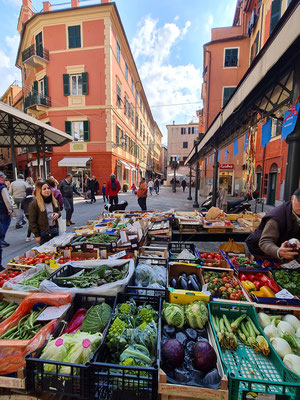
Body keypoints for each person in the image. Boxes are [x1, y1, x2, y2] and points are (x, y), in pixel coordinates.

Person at [246, 188, 300, 260]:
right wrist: (278, 251)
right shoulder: (277, 216)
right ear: (293, 198)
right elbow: (265, 242)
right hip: (264, 253)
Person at [0, 172, 13, 252]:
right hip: (2, 208)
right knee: (5, 223)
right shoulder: (2, 186)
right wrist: (9, 209)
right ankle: (1, 239)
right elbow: (7, 199)